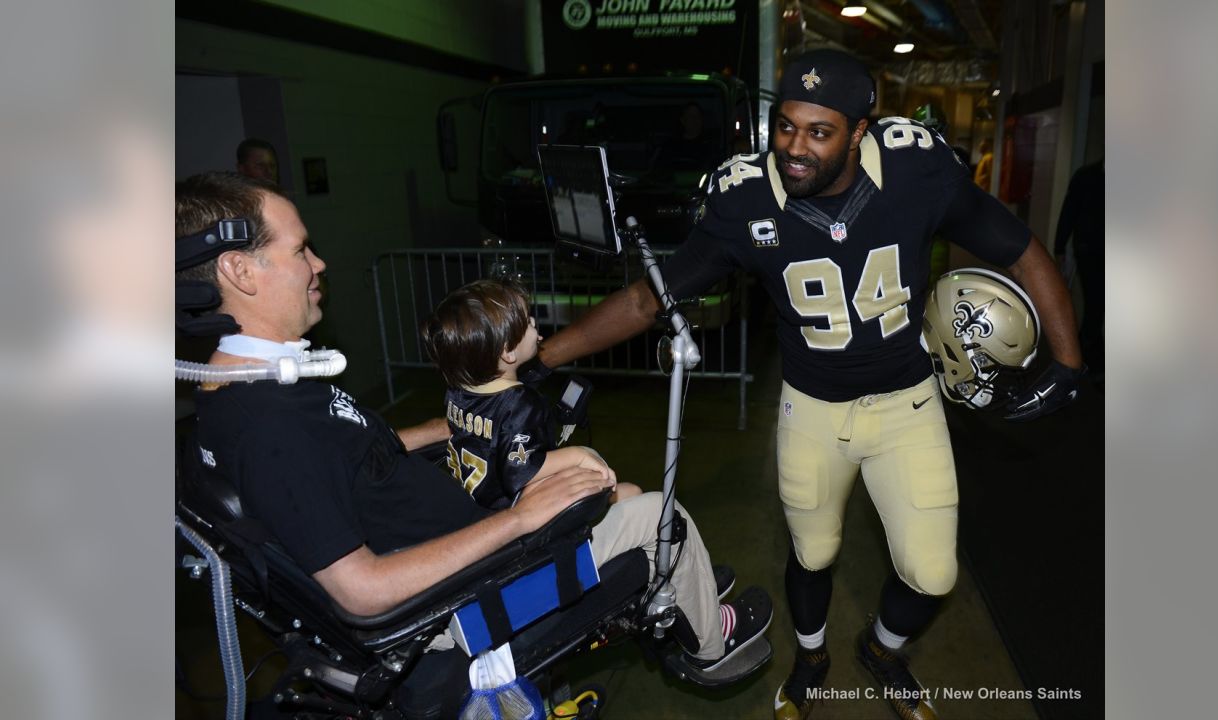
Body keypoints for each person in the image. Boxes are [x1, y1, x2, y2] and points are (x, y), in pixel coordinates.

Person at [522, 49, 1085, 720]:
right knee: (813, 554)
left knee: (933, 573)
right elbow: (650, 300)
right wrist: (545, 356)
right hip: (812, 408)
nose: (795, 147)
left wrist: (1069, 364)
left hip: (907, 403)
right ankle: (812, 653)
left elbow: (1019, 247)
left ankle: (882, 650)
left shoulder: (915, 170)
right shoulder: (745, 198)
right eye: (785, 126)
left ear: (860, 131)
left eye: (819, 132)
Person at [177, 172, 772, 718]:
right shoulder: (271, 427)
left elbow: (354, 455)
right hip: (464, 599)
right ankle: (712, 648)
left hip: (459, 541)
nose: (318, 262)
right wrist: (521, 521)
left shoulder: (242, 390)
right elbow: (362, 592)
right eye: (299, 248)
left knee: (598, 478)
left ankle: (682, 580)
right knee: (658, 514)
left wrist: (450, 429)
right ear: (240, 271)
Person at [423, 278, 642, 510]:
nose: (534, 322)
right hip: (513, 513)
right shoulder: (520, 404)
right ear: (507, 352)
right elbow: (520, 471)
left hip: (475, 505)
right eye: (527, 322)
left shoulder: (457, 391)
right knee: (631, 492)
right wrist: (578, 455)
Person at [1053, 159, 1104, 379]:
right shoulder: (1086, 175)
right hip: (1090, 250)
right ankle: (1089, 361)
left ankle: (1088, 354)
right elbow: (1069, 211)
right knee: (1096, 304)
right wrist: (1060, 246)